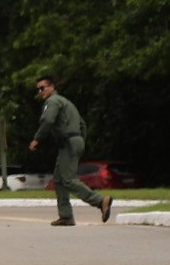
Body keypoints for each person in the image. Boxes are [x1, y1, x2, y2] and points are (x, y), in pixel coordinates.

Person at [28, 75, 112, 227]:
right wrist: (79, 141)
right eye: (38, 89)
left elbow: (48, 120)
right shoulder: (67, 103)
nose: (40, 91)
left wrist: (37, 139)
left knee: (67, 179)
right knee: (59, 180)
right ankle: (66, 216)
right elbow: (82, 124)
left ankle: (100, 201)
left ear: (52, 87)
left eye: (43, 88)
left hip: (68, 142)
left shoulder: (52, 101)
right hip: (74, 141)